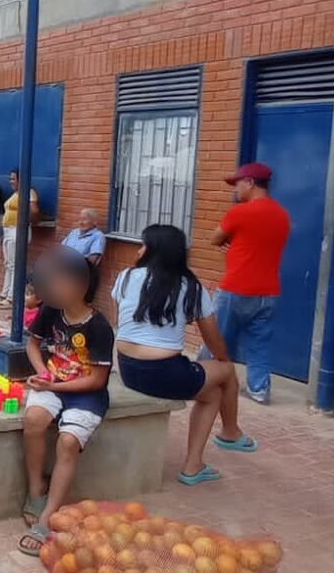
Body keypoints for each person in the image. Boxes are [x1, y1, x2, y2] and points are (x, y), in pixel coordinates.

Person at [113, 224, 258, 488]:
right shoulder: (190, 287)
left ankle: (199, 462)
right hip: (164, 372)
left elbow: (127, 322)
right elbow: (214, 340)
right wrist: (222, 360)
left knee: (212, 394)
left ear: (154, 250)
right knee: (226, 372)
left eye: (143, 244)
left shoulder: (125, 277)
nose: (139, 249)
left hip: (128, 369)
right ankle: (228, 434)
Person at [18, 247, 114, 556]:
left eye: (60, 282)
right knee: (33, 419)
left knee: (69, 441)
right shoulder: (50, 311)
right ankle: (35, 490)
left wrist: (58, 382)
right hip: (54, 382)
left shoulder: (99, 327)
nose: (52, 288)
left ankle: (48, 514)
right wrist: (43, 372)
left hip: (87, 393)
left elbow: (97, 380)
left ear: (82, 285)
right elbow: (33, 344)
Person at [209, 162, 291, 404]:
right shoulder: (282, 214)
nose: (235, 190)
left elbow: (215, 237)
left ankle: (205, 381)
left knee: (216, 338)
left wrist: (230, 241)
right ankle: (259, 390)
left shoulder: (240, 212)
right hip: (269, 291)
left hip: (236, 288)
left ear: (251, 183)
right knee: (260, 344)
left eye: (237, 183)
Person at [0, 169, 41, 308]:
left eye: (13, 179)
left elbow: (34, 211)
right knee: (8, 263)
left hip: (17, 230)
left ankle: (12, 296)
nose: (11, 181)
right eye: (10, 179)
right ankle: (4, 293)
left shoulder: (28, 192)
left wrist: (25, 222)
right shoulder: (16, 194)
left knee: (15, 265)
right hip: (8, 230)